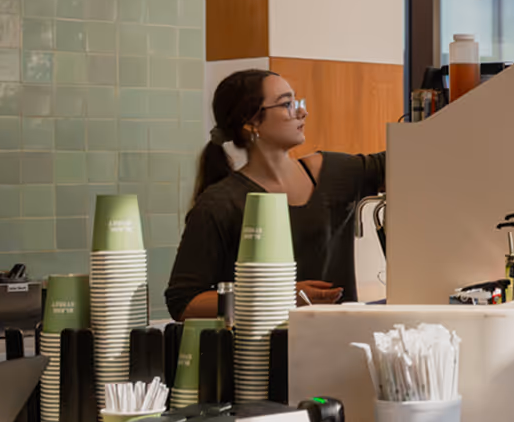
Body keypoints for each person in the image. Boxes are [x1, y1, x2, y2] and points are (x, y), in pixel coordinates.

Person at [165, 69, 386, 321]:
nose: (302, 112)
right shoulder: (220, 203)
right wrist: (279, 295)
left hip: (339, 346)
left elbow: (411, 156)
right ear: (251, 122)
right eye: (287, 104)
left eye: (297, 102)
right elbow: (184, 302)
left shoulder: (337, 174)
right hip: (258, 355)